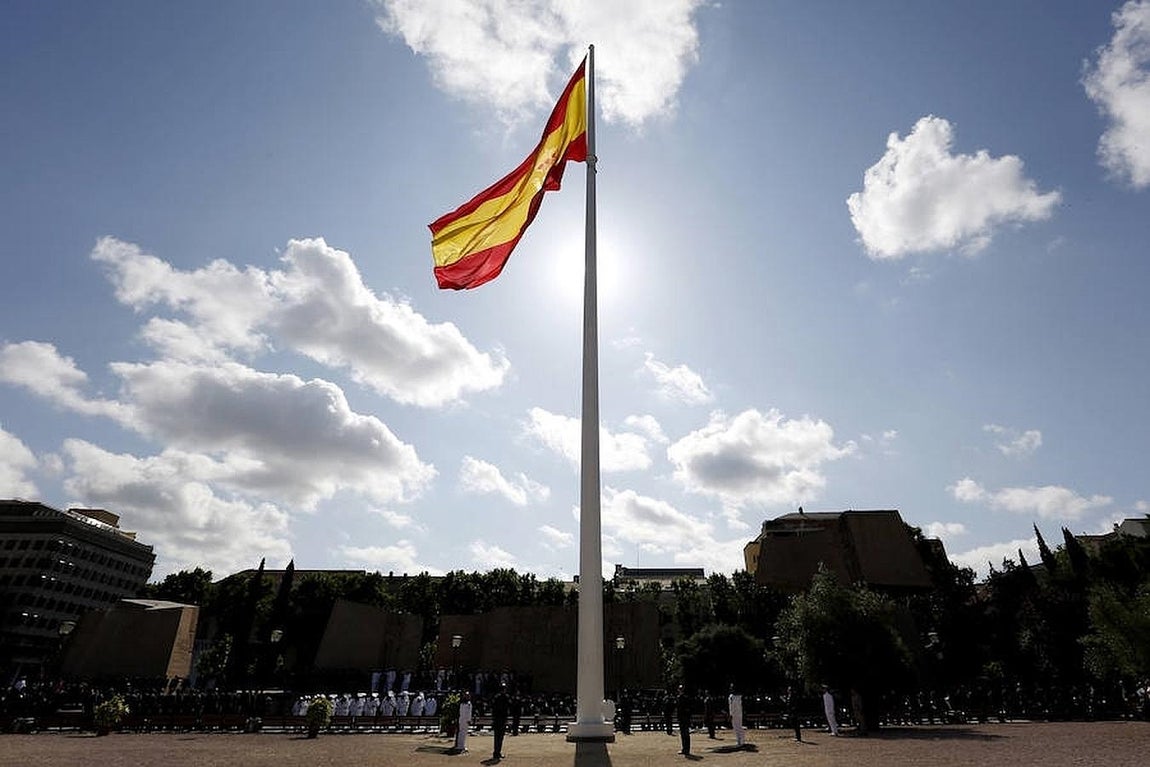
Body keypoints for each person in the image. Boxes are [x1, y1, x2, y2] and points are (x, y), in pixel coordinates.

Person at [491, 682, 510, 760]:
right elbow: (506, 709)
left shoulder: (496, 697)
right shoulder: (505, 697)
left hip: (497, 719)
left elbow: (493, 709)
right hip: (501, 719)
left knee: (497, 737)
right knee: (500, 737)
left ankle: (496, 752)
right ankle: (497, 752)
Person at [675, 685, 693, 756]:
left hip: (684, 718)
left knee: (685, 734)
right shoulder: (682, 698)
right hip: (683, 718)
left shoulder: (683, 698)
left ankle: (686, 749)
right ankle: (685, 749)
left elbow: (684, 709)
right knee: (684, 734)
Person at [728, 683, 746, 747]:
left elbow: (731, 707)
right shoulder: (737, 697)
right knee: (736, 727)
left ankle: (741, 741)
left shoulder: (733, 697)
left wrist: (730, 714)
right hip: (738, 713)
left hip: (736, 713)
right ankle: (739, 741)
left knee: (738, 727)